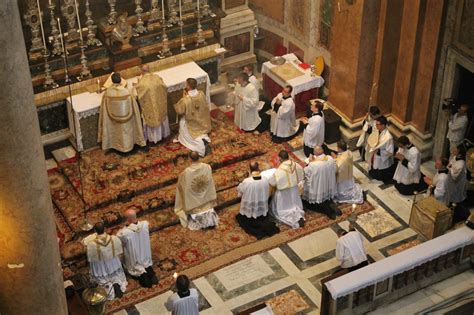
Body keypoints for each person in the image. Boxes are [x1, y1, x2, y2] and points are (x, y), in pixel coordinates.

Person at [98, 72, 146, 153]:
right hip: (127, 120)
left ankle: (114, 145)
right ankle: (130, 144)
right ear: (120, 80)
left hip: (113, 120)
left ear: (112, 81)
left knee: (115, 129)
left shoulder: (107, 93)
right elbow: (134, 106)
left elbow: (104, 109)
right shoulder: (127, 92)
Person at [174, 151, 219, 230]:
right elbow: (209, 182)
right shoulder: (207, 167)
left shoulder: (185, 173)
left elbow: (181, 187)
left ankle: (196, 217)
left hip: (193, 205)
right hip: (206, 200)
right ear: (199, 157)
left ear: (189, 159)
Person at [236, 162, 280, 239]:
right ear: (258, 169)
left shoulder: (247, 181)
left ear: (250, 170)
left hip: (251, 206)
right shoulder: (265, 179)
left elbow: (240, 191)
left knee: (242, 219)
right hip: (261, 206)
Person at [117, 208, 158, 288]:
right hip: (145, 254)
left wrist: (126, 226)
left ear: (128, 219)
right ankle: (150, 272)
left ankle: (144, 277)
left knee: (137, 269)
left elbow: (118, 237)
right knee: (146, 264)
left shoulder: (124, 232)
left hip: (134, 258)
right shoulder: (145, 224)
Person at [86, 222, 127, 300]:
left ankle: (109, 287)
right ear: (104, 229)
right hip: (112, 263)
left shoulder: (91, 244)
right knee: (115, 274)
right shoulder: (113, 238)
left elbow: (91, 259)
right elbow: (119, 251)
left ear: (95, 231)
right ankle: (116, 283)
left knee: (102, 279)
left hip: (101, 266)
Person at [174, 78, 212, 157]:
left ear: (188, 86)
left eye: (186, 84)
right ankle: (203, 138)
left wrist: (183, 97)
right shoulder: (201, 94)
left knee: (182, 124)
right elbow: (205, 106)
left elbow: (180, 111)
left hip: (192, 125)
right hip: (202, 121)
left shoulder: (186, 100)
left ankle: (201, 146)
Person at [268, 150, 305, 229]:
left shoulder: (279, 171)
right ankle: (298, 216)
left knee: (283, 210)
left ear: (280, 159)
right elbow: (302, 174)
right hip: (294, 190)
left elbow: (272, 182)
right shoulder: (296, 165)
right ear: (288, 157)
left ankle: (292, 220)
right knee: (294, 205)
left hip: (283, 193)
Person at [135, 65, 170, 144]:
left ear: (142, 71)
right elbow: (164, 87)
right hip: (159, 105)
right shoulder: (157, 77)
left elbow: (138, 93)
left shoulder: (142, 82)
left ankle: (152, 138)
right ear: (149, 70)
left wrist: (137, 84)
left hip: (149, 107)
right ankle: (163, 134)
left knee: (150, 117)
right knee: (159, 116)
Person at [302, 146, 339, 220]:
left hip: (318, 187)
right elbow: (335, 170)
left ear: (314, 153)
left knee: (310, 202)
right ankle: (331, 206)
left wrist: (309, 163)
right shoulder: (330, 158)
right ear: (322, 150)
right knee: (326, 199)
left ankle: (328, 211)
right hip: (328, 185)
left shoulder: (313, 165)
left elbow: (305, 173)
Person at [367, 116, 394, 184]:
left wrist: (379, 151)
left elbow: (390, 152)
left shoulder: (388, 137)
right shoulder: (376, 131)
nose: (376, 126)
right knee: (373, 167)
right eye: (376, 124)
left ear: (383, 125)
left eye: (378, 124)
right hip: (375, 154)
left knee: (380, 171)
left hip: (381, 157)